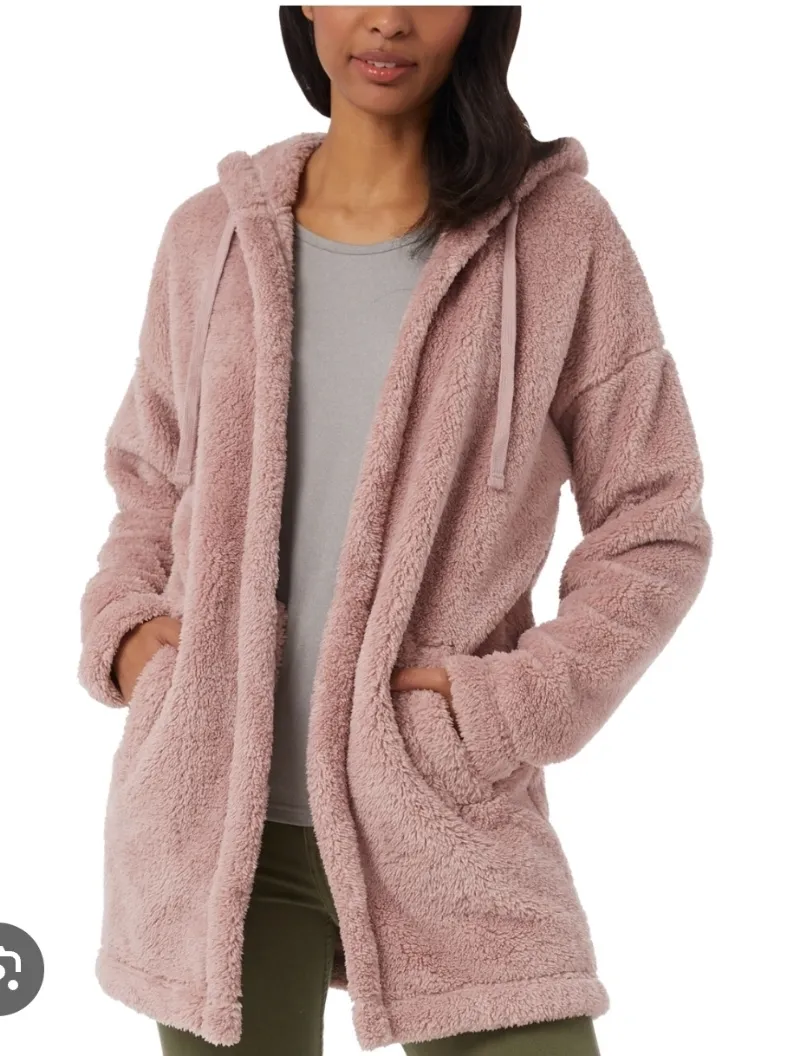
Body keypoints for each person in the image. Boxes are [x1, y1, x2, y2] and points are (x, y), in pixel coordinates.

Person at [77, 6, 713, 1055]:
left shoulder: (558, 236)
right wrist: (130, 633)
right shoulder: (209, 236)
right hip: (210, 824)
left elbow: (653, 519)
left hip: (441, 818)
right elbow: (148, 476)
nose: (387, 18)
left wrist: (504, 709)